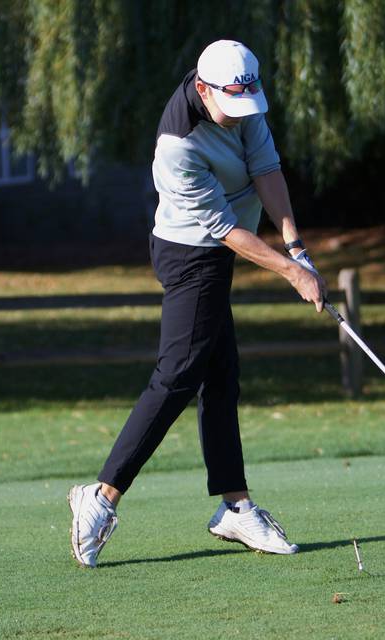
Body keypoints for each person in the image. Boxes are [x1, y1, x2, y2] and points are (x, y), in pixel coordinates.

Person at [68, 40, 326, 567]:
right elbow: (225, 230)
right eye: (230, 109)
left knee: (221, 375)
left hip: (221, 249)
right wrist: (291, 271)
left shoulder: (242, 97)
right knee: (180, 372)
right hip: (190, 252)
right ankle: (100, 497)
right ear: (204, 91)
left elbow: (268, 171)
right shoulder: (177, 145)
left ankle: (234, 506)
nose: (240, 118)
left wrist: (296, 245)